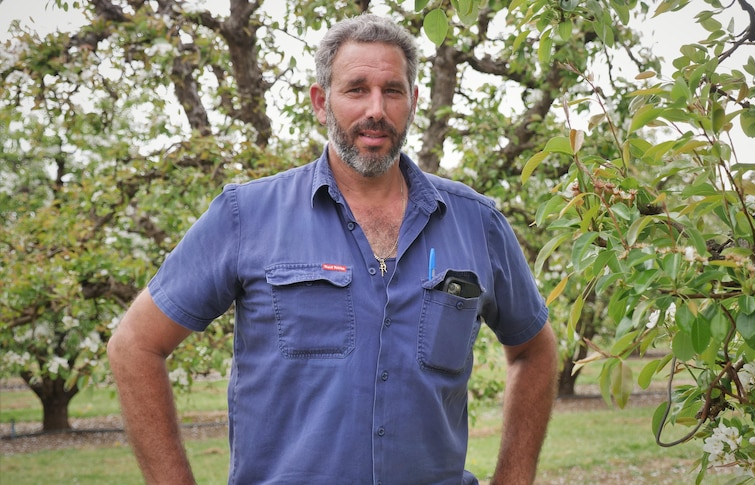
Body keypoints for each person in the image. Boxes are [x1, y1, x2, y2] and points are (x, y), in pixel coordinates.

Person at [107, 13, 558, 485]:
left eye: (393, 90)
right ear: (321, 103)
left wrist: (514, 476)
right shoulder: (246, 216)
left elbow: (535, 349)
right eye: (357, 89)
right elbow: (136, 345)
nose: (376, 110)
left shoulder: (476, 222)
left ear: (414, 101)